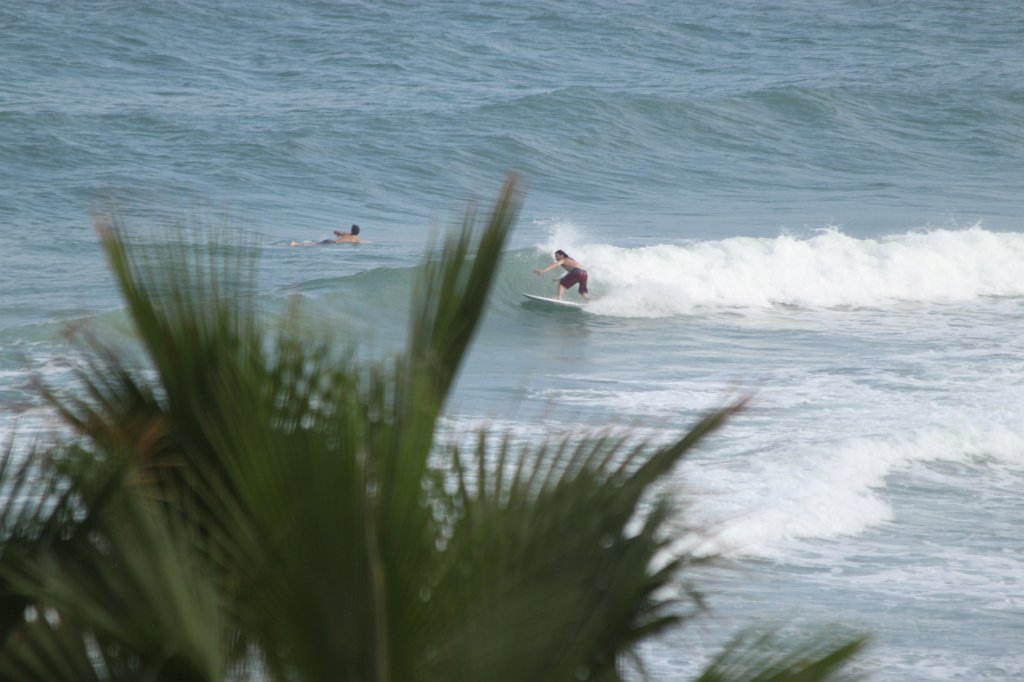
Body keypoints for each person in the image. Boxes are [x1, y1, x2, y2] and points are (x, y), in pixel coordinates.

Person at [290, 224, 362, 247]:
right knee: (315, 244)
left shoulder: (347, 234)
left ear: (351, 230)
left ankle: (297, 243)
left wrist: (338, 234)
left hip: (331, 241)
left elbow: (336, 232)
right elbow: (362, 242)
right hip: (331, 243)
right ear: (358, 232)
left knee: (315, 243)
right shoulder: (356, 239)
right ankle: (296, 244)